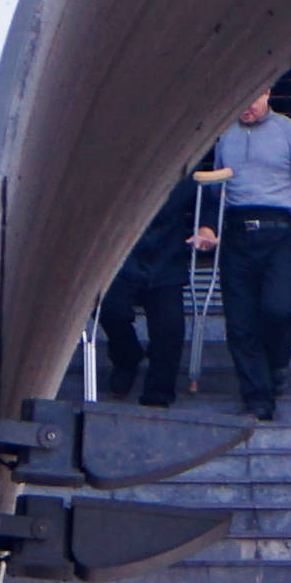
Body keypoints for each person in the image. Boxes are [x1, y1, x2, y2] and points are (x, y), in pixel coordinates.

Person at [199, 87, 291, 418]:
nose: (246, 106)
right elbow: (213, 186)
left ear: (268, 92)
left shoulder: (290, 131)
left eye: (253, 97)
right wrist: (207, 227)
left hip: (280, 232)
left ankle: (277, 362)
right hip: (238, 231)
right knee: (240, 321)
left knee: (276, 308)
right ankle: (257, 397)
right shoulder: (225, 134)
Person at [96, 165, 206, 404]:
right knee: (109, 310)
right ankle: (127, 358)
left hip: (166, 259)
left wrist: (207, 229)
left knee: (170, 327)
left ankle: (159, 394)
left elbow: (205, 196)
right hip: (121, 259)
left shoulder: (183, 166)